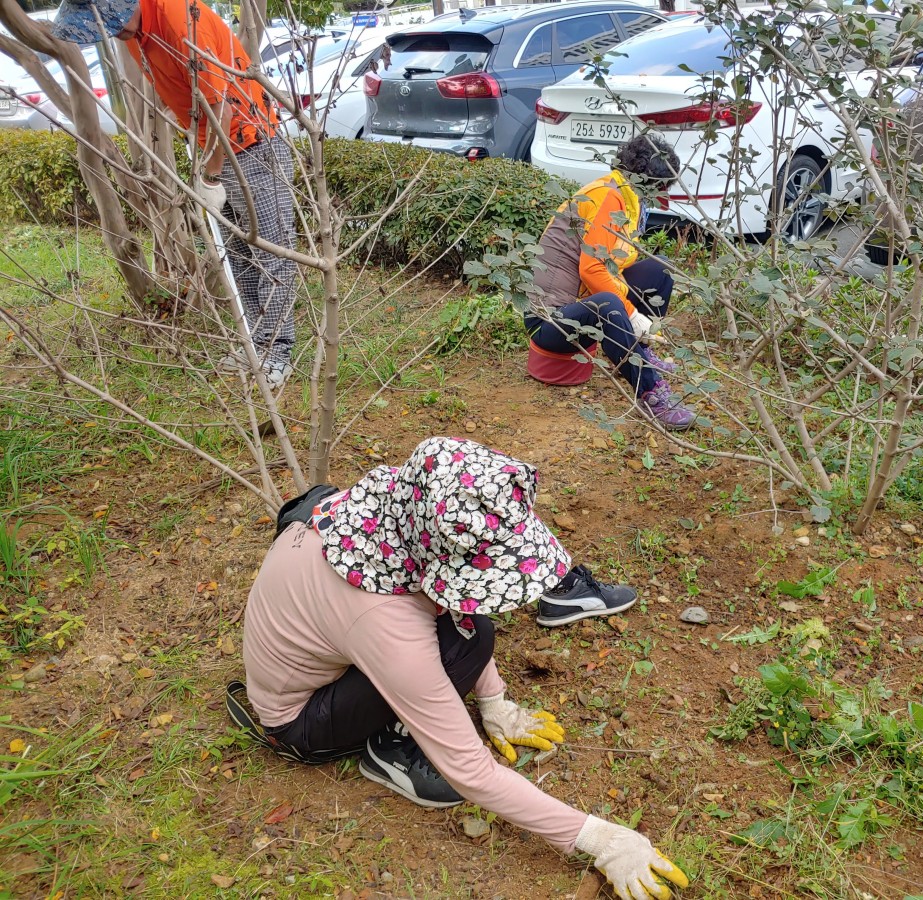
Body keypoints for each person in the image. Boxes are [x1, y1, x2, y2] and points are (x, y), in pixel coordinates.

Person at [229, 437, 688, 899]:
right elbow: (471, 772)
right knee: (469, 641)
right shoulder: (381, 618)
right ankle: (391, 753)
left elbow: (458, 609)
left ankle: (411, 718)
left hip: (333, 651)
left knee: (475, 629)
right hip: (301, 720)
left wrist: (494, 702)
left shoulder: (388, 511)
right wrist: (602, 840)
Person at [54, 0, 297, 388]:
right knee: (239, 252)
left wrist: (212, 176)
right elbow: (184, 93)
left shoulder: (179, 21)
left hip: (252, 143)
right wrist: (196, 145)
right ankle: (258, 344)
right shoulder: (135, 30)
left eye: (113, 24)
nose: (115, 33)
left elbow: (222, 108)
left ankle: (279, 352)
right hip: (212, 146)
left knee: (270, 250)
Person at [527, 133, 697, 430]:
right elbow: (592, 270)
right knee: (609, 302)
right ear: (648, 181)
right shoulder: (610, 197)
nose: (665, 198)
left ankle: (641, 351)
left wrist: (632, 310)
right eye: (663, 187)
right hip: (548, 320)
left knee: (662, 269)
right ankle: (650, 392)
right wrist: (631, 314)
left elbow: (612, 263)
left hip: (577, 304)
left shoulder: (623, 194)